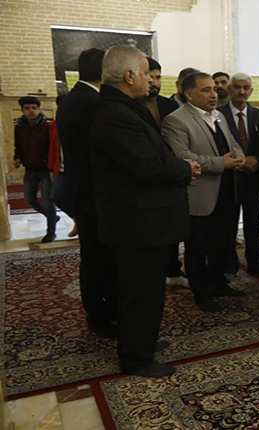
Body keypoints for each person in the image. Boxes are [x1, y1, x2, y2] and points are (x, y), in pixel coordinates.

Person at [88, 45, 200, 377]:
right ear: (129, 75)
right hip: (138, 223)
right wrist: (185, 168)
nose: (151, 81)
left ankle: (139, 342)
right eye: (145, 74)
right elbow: (147, 167)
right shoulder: (116, 114)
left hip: (140, 220)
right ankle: (136, 357)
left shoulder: (123, 108)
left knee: (141, 290)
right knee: (142, 292)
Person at [162, 72, 247, 313]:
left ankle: (219, 283)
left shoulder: (219, 116)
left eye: (214, 89)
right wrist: (222, 164)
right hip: (200, 194)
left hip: (227, 190)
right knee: (198, 247)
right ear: (189, 94)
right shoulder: (175, 120)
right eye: (206, 90)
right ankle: (202, 293)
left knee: (223, 242)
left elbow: (233, 143)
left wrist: (240, 158)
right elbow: (182, 157)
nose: (214, 94)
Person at [57, 48, 119, 339]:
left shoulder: (76, 98)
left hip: (86, 189)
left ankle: (105, 308)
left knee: (99, 256)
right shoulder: (91, 101)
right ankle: (98, 315)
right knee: (96, 258)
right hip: (91, 192)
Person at [218, 72, 259, 278]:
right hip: (230, 177)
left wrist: (257, 159)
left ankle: (255, 263)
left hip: (254, 176)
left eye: (246, 88)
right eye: (237, 87)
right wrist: (241, 161)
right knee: (229, 223)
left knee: (253, 222)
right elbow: (218, 144)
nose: (241, 91)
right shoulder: (218, 114)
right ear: (230, 89)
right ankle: (229, 266)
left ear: (251, 91)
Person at [144, 57, 187, 289]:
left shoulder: (169, 106)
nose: (154, 82)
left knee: (171, 229)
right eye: (149, 77)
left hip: (172, 173)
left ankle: (172, 269)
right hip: (147, 175)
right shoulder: (132, 107)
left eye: (158, 77)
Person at [13, 96, 58, 243]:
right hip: (30, 169)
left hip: (45, 169)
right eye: (27, 108)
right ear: (22, 110)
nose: (31, 111)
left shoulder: (47, 126)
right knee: (29, 200)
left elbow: (52, 147)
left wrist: (52, 168)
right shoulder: (19, 128)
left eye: (34, 108)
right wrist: (18, 158)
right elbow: (18, 146)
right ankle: (53, 217)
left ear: (39, 109)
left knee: (47, 201)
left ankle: (51, 231)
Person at [48, 93, 77, 237]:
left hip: (76, 168)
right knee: (56, 196)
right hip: (60, 167)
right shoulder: (54, 124)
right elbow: (53, 146)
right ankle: (76, 219)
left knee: (77, 197)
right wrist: (51, 168)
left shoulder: (79, 121)